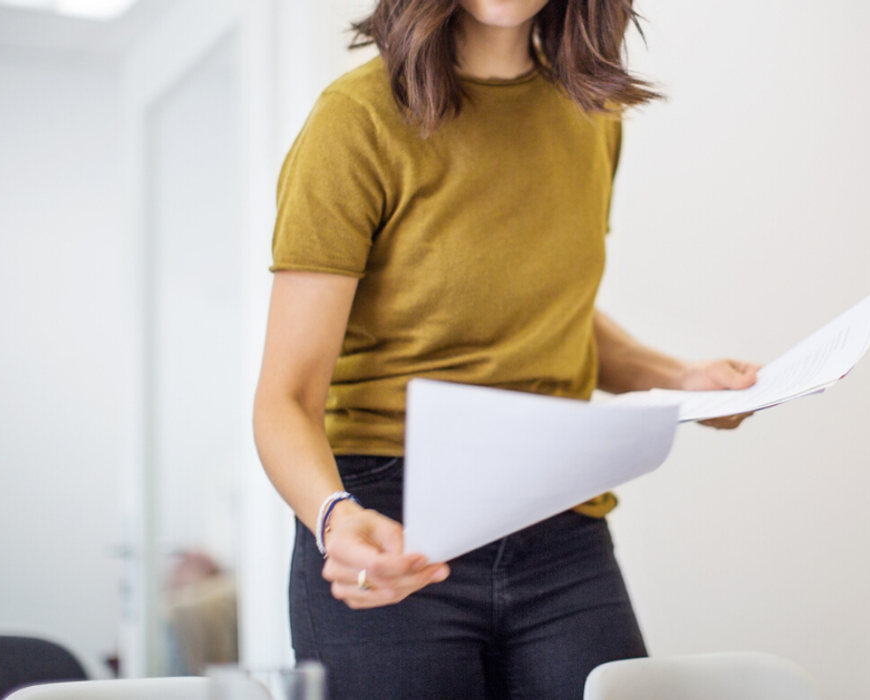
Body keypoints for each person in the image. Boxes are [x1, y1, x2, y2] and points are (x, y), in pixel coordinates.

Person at [252, 1, 758, 698]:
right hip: (390, 520)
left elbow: (543, 311)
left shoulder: (592, 114)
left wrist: (678, 376)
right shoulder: (354, 119)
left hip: (558, 524)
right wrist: (333, 516)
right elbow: (286, 398)